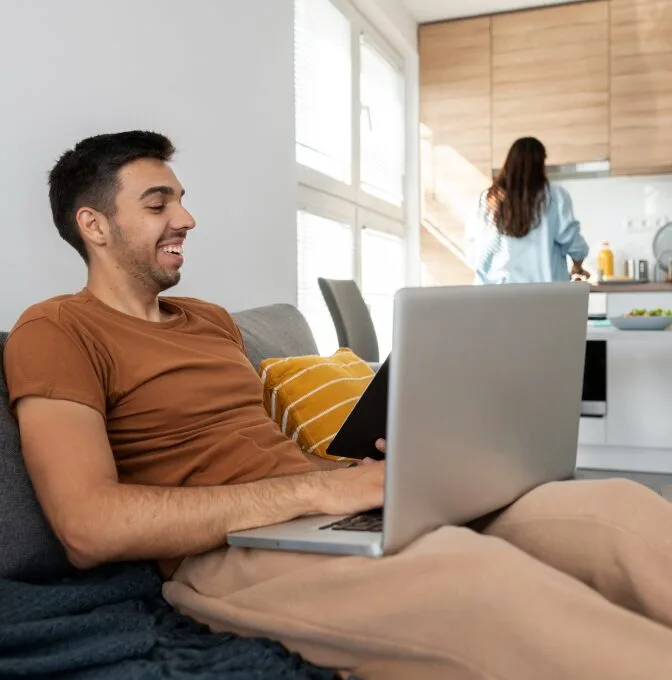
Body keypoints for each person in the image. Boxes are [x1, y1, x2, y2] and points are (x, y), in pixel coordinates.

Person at [5, 131, 672, 680]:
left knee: (614, 511)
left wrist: (376, 467)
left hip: (328, 509)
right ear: (92, 224)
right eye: (158, 203)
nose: (186, 218)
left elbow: (262, 443)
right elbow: (90, 528)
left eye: (180, 200)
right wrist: (313, 493)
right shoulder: (58, 329)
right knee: (483, 583)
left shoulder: (208, 320)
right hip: (230, 556)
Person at [467, 136, 591, 285]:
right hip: (545, 296)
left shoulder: (488, 199)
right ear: (541, 164)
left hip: (498, 295)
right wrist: (577, 267)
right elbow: (574, 243)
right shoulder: (554, 196)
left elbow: (476, 255)